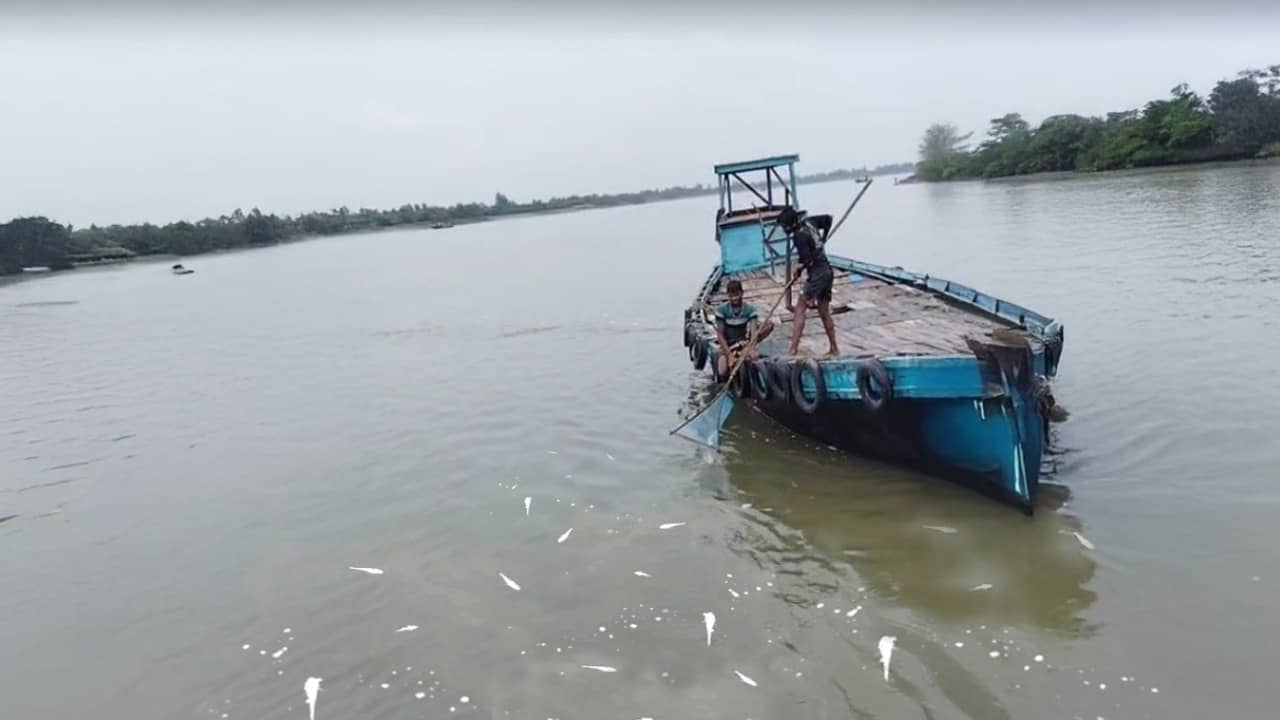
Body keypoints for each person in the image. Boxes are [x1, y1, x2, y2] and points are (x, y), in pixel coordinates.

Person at [778, 206, 839, 357]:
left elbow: (807, 261)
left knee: (800, 308)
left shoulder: (798, 236)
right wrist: (823, 239)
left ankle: (792, 350)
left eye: (784, 227)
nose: (783, 230)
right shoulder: (810, 222)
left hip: (818, 273)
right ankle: (834, 348)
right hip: (827, 271)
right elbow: (828, 219)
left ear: (790, 225)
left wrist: (798, 269)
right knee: (824, 311)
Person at [714, 278, 774, 381]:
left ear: (742, 293)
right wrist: (729, 354)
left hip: (743, 343)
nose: (734, 299)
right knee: (722, 371)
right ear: (728, 296)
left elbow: (754, 331)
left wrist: (752, 347)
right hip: (727, 346)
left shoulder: (750, 310)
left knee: (754, 355)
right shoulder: (722, 310)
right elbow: (720, 335)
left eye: (737, 295)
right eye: (731, 296)